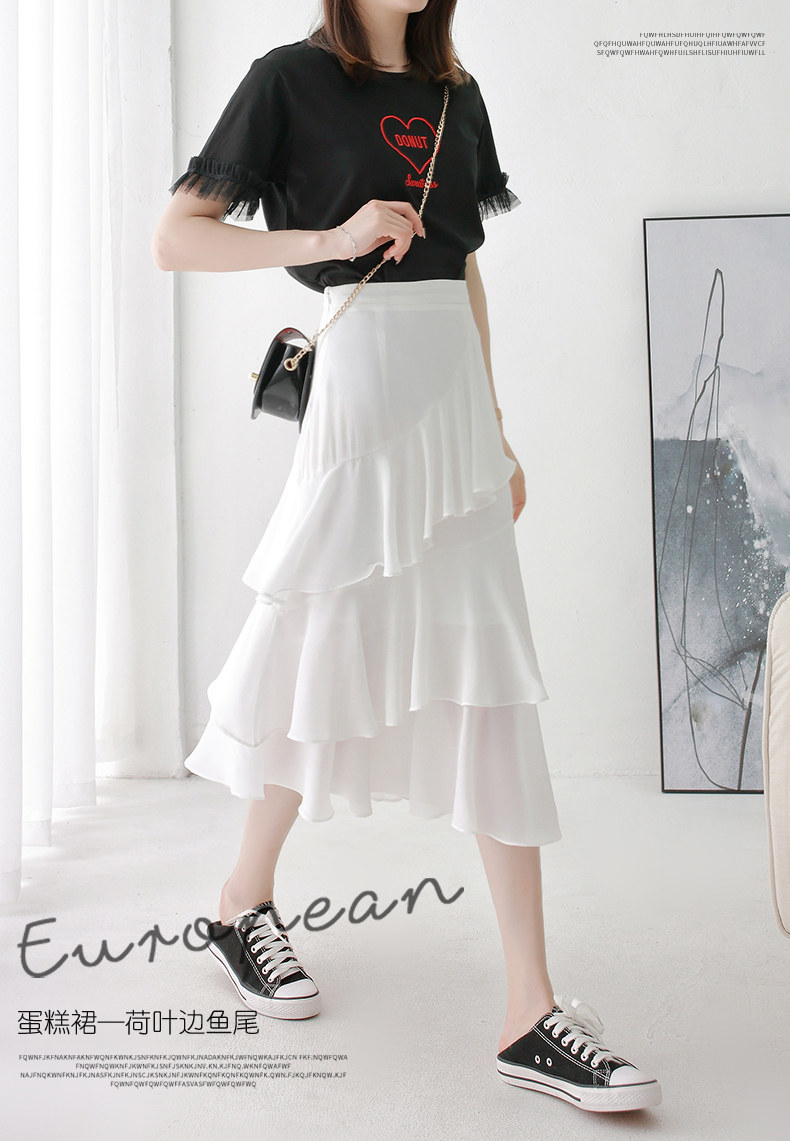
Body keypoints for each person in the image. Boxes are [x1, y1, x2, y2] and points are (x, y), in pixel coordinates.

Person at [152, 0, 662, 1114]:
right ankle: (241, 902)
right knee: (315, 648)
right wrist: (326, 240)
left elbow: (461, 268)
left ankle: (527, 1009)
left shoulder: (454, 94)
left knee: (491, 679)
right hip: (360, 399)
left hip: (450, 407)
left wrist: (497, 425)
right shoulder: (287, 79)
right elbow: (177, 236)